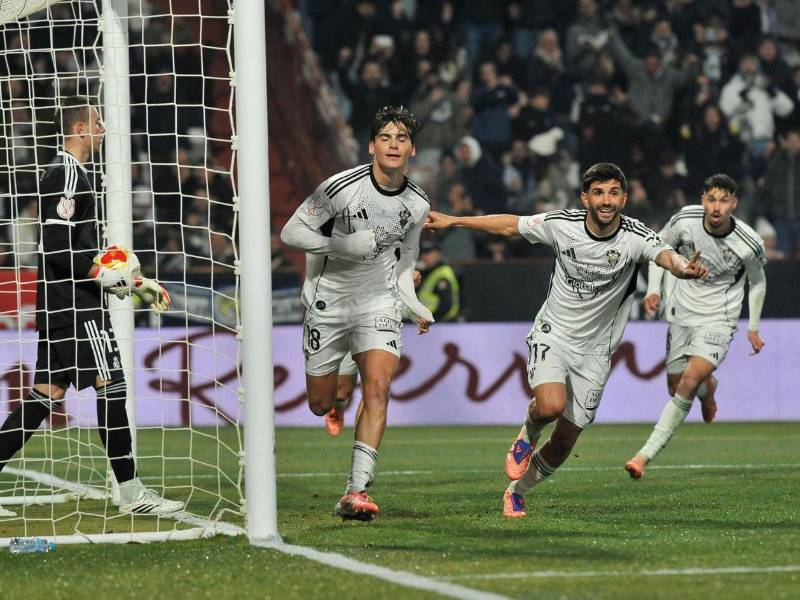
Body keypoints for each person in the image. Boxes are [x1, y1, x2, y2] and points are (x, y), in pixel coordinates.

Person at [424, 163, 709, 518]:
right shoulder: (563, 224)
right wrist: (454, 220)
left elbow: (665, 256)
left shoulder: (635, 235)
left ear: (624, 198)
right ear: (585, 197)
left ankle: (517, 491)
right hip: (554, 333)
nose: (606, 201)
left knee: (564, 441)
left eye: (614, 193)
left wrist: (683, 268)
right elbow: (511, 225)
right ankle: (527, 435)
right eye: (598, 193)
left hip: (597, 352)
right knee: (549, 406)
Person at [0, 96, 182, 517]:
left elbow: (76, 248)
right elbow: (57, 245)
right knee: (112, 386)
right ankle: (132, 493)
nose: (103, 130)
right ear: (79, 129)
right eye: (97, 123)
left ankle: (131, 491)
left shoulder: (73, 173)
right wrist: (102, 275)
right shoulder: (66, 173)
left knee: (44, 396)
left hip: (60, 304)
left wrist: (135, 282)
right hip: (76, 307)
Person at [281, 106, 434, 521]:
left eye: (401, 138)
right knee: (320, 403)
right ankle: (336, 396)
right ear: (371, 147)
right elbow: (291, 232)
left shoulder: (418, 203)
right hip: (328, 302)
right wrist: (342, 246)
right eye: (385, 137)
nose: (393, 145)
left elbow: (406, 259)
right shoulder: (339, 187)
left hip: (379, 302)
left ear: (412, 150)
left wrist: (413, 303)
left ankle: (356, 491)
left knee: (378, 389)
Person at [625, 174, 767, 478]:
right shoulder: (685, 221)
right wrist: (653, 290)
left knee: (689, 381)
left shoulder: (748, 242)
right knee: (676, 387)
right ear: (703, 200)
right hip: (680, 313)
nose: (716, 207)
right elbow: (657, 250)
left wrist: (753, 327)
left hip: (718, 318)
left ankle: (642, 456)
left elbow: (757, 283)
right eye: (711, 199)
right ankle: (708, 389)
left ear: (734, 203)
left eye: (724, 201)